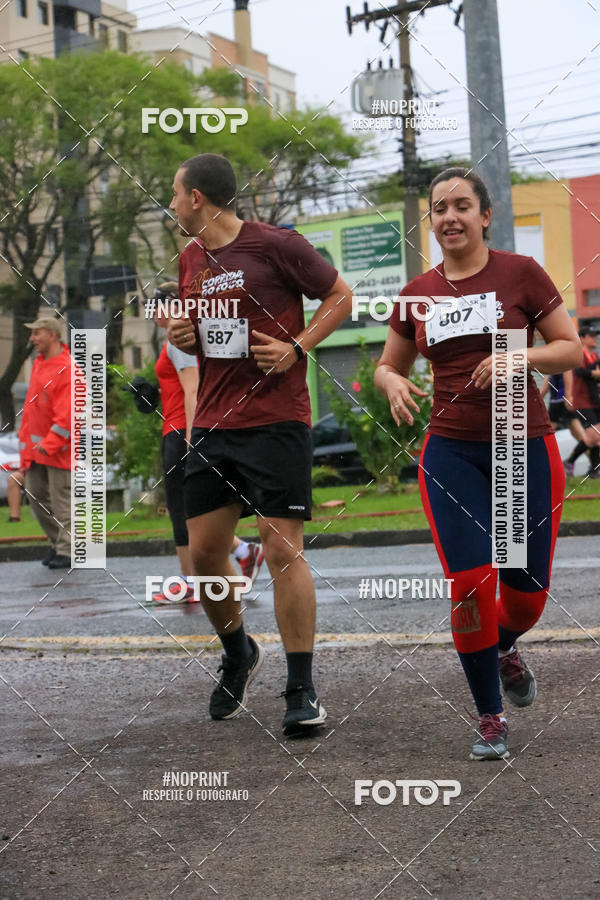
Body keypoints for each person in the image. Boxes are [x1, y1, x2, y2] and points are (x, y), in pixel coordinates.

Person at [375, 167, 581, 761]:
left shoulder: (520, 274)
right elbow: (390, 363)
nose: (450, 216)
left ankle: (505, 646)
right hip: (451, 453)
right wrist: (391, 382)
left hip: (522, 446)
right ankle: (490, 717)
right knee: (469, 584)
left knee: (524, 595)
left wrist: (522, 359)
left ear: (485, 216)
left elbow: (571, 347)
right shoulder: (418, 292)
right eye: (440, 208)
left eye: (462, 205)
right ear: (432, 221)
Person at [167, 153, 352, 735]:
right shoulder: (189, 260)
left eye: (174, 193)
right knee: (204, 553)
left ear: (198, 197)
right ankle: (238, 651)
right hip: (216, 423)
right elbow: (207, 345)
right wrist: (185, 334)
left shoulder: (276, 244)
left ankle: (301, 689)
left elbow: (341, 297)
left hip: (276, 420)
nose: (170, 204)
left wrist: (297, 346)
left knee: (280, 550)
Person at [146, 282, 264, 604]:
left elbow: (192, 390)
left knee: (181, 510)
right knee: (190, 509)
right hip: (176, 427)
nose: (152, 312)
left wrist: (191, 439)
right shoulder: (178, 337)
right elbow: (178, 388)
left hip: (181, 431)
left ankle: (190, 581)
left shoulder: (179, 338)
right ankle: (243, 551)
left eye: (156, 305)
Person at [19, 316, 73, 569]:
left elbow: (68, 416)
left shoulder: (66, 368)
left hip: (59, 449)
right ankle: (57, 543)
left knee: (61, 502)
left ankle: (68, 550)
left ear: (52, 335)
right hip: (38, 450)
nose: (32, 339)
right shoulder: (40, 364)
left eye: (36, 333)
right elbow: (32, 413)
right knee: (36, 496)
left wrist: (50, 444)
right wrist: (26, 450)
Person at [561, 326, 600, 477]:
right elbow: (577, 370)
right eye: (590, 335)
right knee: (593, 435)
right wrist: (594, 373)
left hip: (595, 400)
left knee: (597, 437)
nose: (594, 338)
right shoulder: (578, 354)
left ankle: (594, 470)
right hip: (582, 401)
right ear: (582, 338)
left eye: (594, 335)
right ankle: (570, 461)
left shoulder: (595, 356)